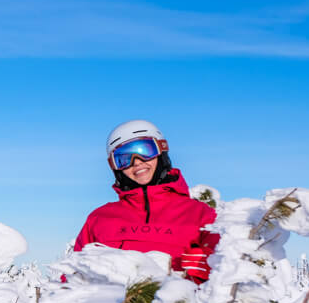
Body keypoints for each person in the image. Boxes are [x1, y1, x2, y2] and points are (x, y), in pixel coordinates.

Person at [73, 120, 219, 283]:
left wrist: (211, 268)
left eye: (144, 150)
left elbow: (229, 277)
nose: (136, 162)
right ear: (115, 167)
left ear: (161, 150)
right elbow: (73, 277)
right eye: (124, 158)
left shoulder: (201, 214)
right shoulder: (99, 219)